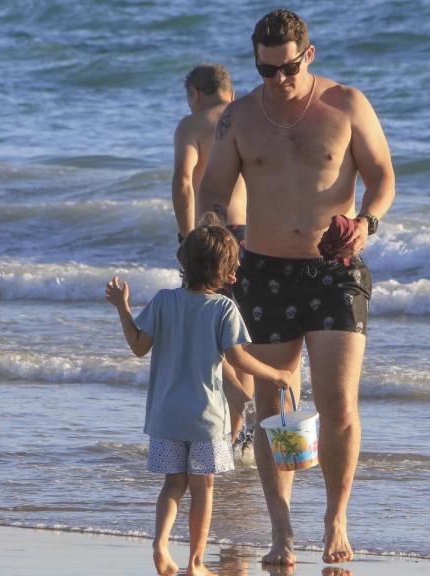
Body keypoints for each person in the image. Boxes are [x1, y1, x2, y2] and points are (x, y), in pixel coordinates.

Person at [196, 9, 395, 565]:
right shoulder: (238, 118)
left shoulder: (346, 105)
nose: (277, 82)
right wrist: (215, 234)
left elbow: (382, 178)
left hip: (336, 269)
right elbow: (213, 189)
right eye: (265, 71)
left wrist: (366, 223)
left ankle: (336, 519)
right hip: (263, 271)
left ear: (308, 56)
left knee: (337, 402)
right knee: (274, 402)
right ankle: (281, 529)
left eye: (286, 69)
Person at [106, 224, 292, 576]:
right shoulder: (223, 309)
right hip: (207, 420)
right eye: (233, 266)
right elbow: (237, 359)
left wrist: (123, 307)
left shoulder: (163, 301)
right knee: (203, 488)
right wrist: (276, 374)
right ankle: (195, 562)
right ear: (224, 273)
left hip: (166, 416)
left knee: (173, 485)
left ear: (185, 262)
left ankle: (160, 544)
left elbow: (137, 347)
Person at [171, 63, 257, 445]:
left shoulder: (192, 124)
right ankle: (240, 434)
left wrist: (186, 234)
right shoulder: (250, 116)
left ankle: (230, 415)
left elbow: (185, 181)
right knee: (243, 331)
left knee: (206, 326)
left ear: (195, 94)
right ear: (231, 92)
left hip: (210, 236)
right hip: (252, 236)